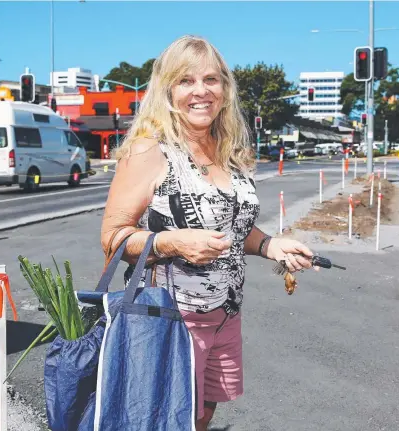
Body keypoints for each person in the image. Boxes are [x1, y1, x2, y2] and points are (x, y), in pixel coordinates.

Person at [100, 35, 319, 431]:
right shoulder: (150, 152)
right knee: (167, 419)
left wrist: (271, 246)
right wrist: (171, 242)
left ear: (225, 89)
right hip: (170, 318)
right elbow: (114, 238)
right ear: (167, 90)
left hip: (226, 314)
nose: (201, 91)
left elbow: (235, 228)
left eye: (211, 80)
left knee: (203, 412)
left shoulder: (228, 151)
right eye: (186, 81)